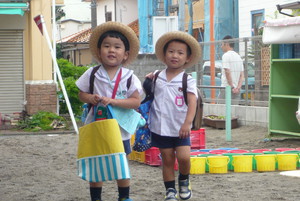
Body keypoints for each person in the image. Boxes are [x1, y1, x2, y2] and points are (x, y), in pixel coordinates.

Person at [76, 21, 142, 201]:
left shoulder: (129, 77)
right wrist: (90, 98)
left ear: (125, 54)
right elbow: (81, 93)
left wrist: (113, 101)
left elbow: (136, 102)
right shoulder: (91, 74)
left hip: (120, 130)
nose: (111, 50)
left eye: (117, 47)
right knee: (96, 162)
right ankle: (96, 198)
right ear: (98, 52)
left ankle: (124, 197)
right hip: (95, 126)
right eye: (106, 46)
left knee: (121, 162)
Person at [149, 31, 200, 201]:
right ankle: (170, 190)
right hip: (161, 127)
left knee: (184, 157)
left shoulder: (188, 80)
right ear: (164, 55)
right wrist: (147, 80)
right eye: (171, 51)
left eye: (180, 52)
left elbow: (193, 103)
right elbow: (148, 95)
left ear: (187, 58)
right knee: (168, 160)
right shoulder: (157, 76)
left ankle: (184, 180)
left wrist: (187, 123)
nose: (175, 55)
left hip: (181, 129)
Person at [219, 35, 244, 105]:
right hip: (237, 90)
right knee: (234, 111)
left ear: (226, 44)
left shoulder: (226, 56)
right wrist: (238, 88)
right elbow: (242, 76)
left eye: (222, 44)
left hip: (226, 88)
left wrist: (232, 86)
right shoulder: (238, 57)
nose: (221, 46)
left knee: (221, 111)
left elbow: (227, 72)